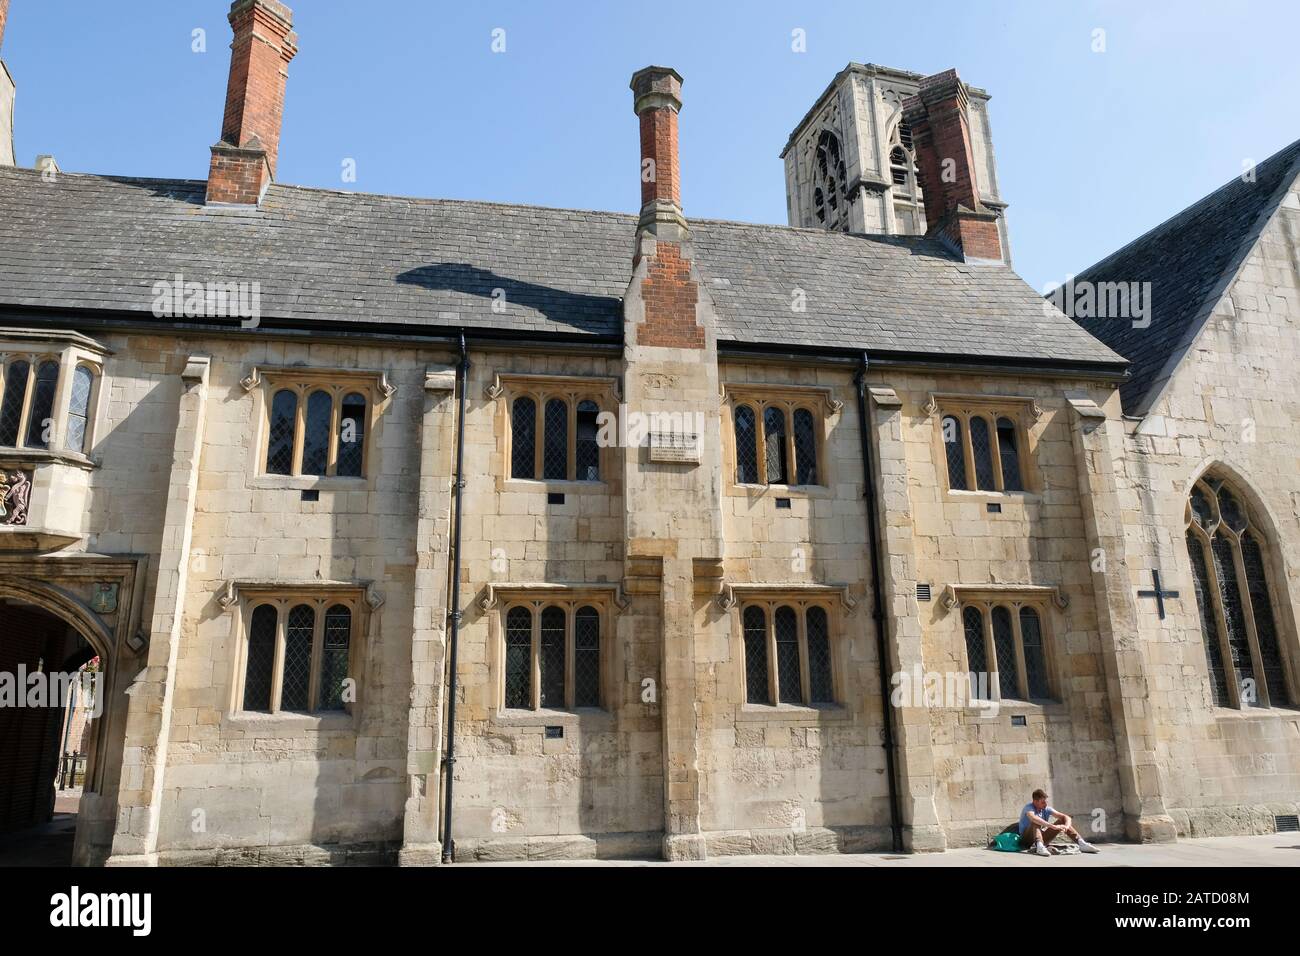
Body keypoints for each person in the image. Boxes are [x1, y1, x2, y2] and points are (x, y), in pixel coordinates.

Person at [1019, 788, 1100, 856]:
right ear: (1035, 801)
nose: (1045, 804)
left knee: (1062, 820)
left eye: (1046, 801)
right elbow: (1033, 818)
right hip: (1026, 840)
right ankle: (1039, 847)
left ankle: (1081, 843)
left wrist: (1066, 827)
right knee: (1036, 821)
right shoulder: (1028, 808)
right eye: (1042, 802)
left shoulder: (1046, 808)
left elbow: (1066, 817)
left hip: (1040, 838)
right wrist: (1052, 826)